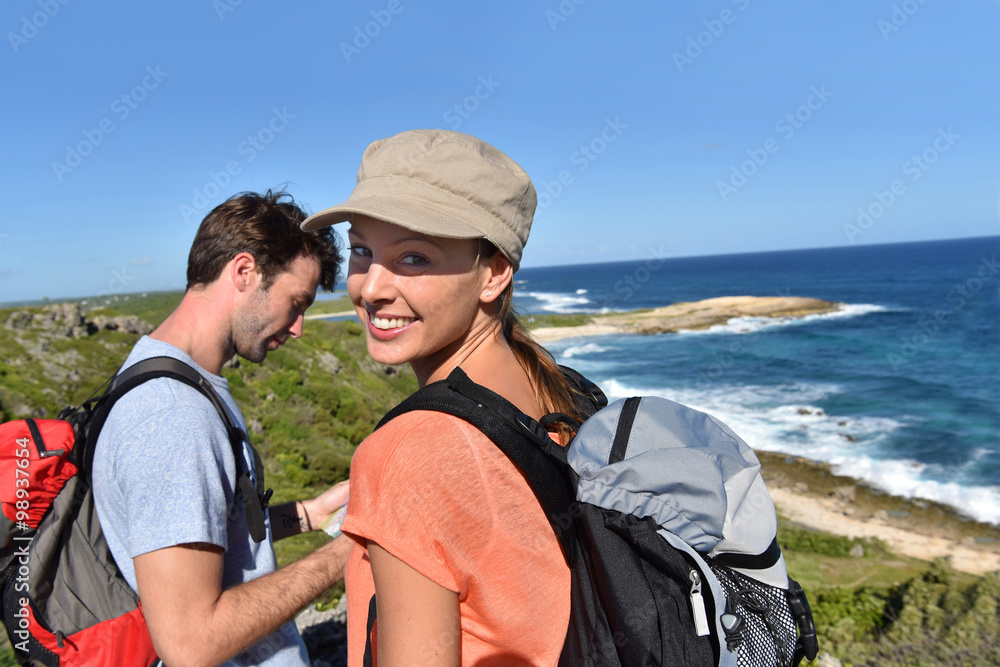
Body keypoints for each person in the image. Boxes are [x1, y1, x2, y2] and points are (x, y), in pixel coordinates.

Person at [301, 130, 585, 665]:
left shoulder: (406, 453)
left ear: (494, 272)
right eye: (361, 251)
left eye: (413, 258)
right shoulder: (550, 384)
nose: (370, 287)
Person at [92, 190, 353, 667]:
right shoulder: (172, 416)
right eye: (297, 302)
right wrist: (345, 557)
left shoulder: (174, 381)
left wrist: (314, 514)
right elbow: (191, 643)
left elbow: (208, 537)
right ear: (244, 271)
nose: (298, 329)